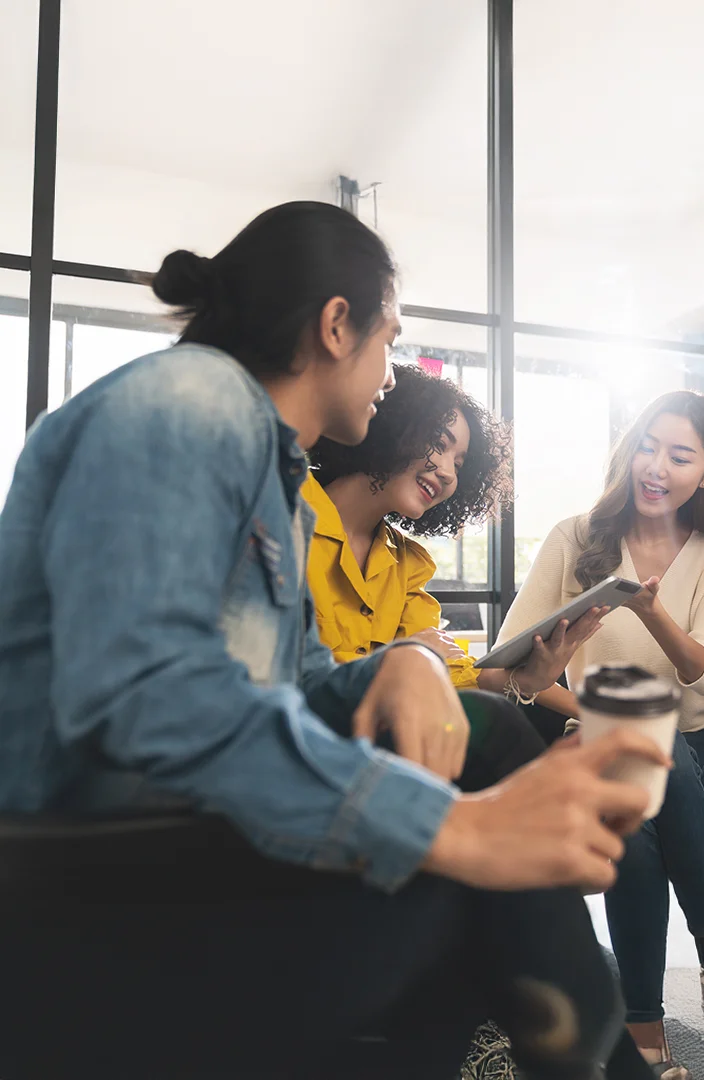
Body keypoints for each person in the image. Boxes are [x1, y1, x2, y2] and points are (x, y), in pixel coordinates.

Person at [0, 200, 668, 1080]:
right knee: (460, 880)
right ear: (335, 323)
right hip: (97, 878)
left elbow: (293, 686)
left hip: (175, 839)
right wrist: (453, 830)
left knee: (490, 736)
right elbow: (143, 693)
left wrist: (393, 667)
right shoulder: (190, 399)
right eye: (390, 337)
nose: (394, 371)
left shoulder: (266, 468)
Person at [497, 391, 704, 1080]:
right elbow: (506, 667)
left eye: (680, 456)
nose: (656, 466)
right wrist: (588, 709)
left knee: (656, 753)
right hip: (599, 737)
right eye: (648, 446)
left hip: (700, 741)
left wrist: (650, 611)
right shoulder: (576, 536)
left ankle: (651, 1022)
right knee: (638, 778)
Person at [304, 362, 599, 714]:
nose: (446, 472)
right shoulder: (281, 508)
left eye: (458, 465)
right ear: (393, 428)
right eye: (438, 444)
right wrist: (400, 660)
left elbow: (453, 673)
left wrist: (526, 680)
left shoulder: (406, 565)